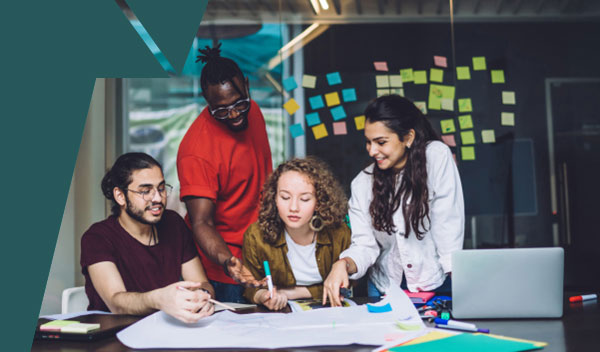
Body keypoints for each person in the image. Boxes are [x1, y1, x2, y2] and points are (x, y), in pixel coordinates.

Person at [323, 95, 465, 306]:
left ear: (408, 138)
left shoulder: (436, 157)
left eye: (381, 142)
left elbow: (448, 226)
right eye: (368, 142)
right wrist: (342, 264)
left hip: (437, 283)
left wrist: (462, 287)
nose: (372, 151)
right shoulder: (363, 183)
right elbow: (364, 246)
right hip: (385, 288)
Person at [177, 43, 272, 303]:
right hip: (227, 270)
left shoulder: (253, 112)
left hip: (262, 253)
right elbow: (202, 223)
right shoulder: (196, 151)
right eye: (220, 110)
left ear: (247, 84)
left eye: (239, 104)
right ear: (206, 100)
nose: (233, 115)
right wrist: (227, 261)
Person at [80, 153, 214, 323]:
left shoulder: (173, 224)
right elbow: (116, 302)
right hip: (113, 336)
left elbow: (201, 282)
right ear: (120, 196)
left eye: (161, 188)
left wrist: (203, 297)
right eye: (145, 191)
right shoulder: (97, 237)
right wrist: (159, 300)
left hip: (167, 332)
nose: (157, 198)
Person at [242, 157, 351, 310]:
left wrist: (290, 293)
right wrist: (263, 296)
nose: (293, 207)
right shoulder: (256, 236)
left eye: (305, 199)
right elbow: (249, 287)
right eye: (285, 197)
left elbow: (348, 285)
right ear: (274, 198)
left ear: (319, 202)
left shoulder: (338, 233)